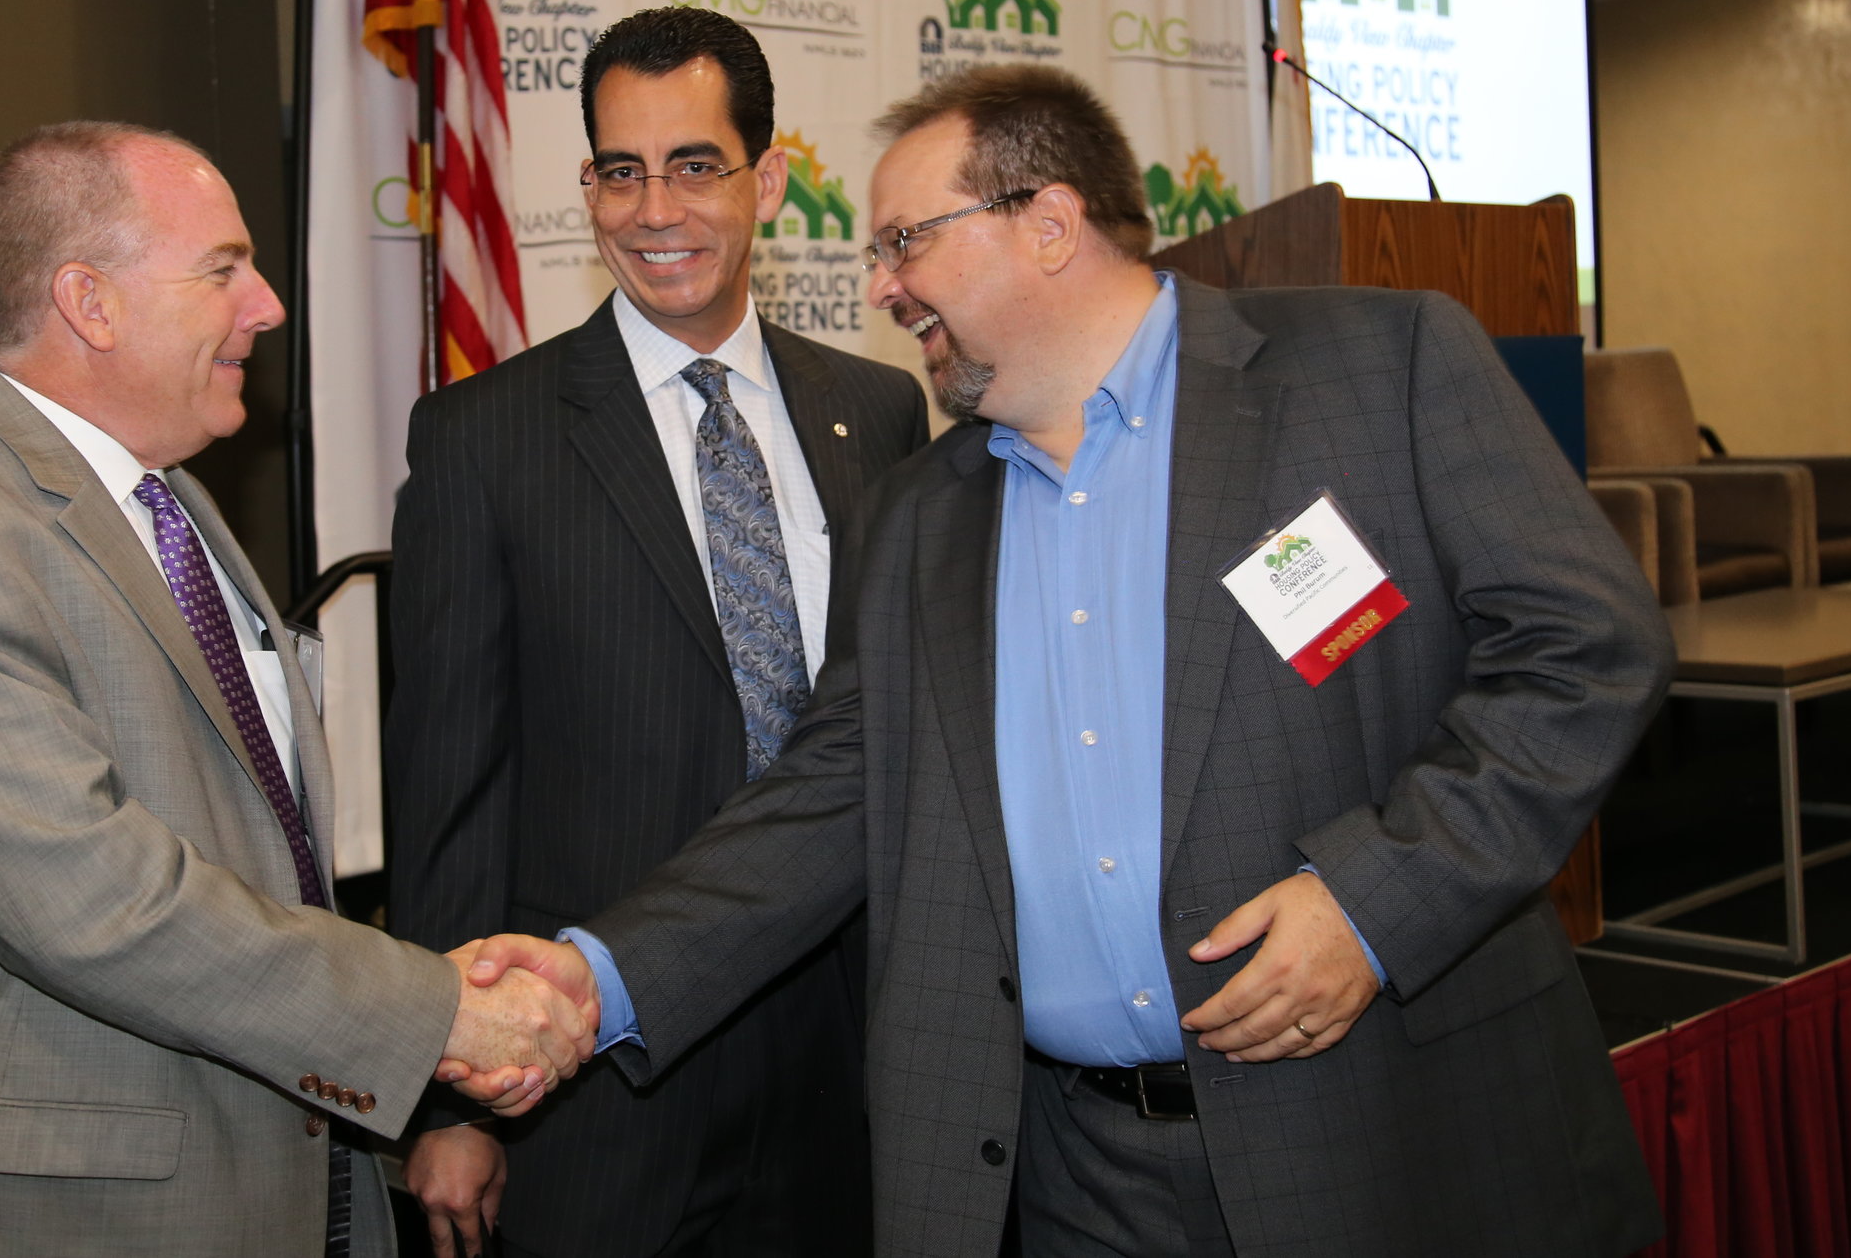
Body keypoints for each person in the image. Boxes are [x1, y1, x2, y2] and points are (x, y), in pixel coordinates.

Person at [473, 64, 1673, 1256]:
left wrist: (1372, 900)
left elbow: (1586, 647)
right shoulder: (913, 522)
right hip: (1075, 1180)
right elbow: (824, 798)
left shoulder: (1378, 371)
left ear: (1047, 223)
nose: (881, 286)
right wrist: (597, 978)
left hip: (1390, 1134)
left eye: (903, 242)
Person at [0, 123, 593, 1258]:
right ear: (89, 302)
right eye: (223, 268)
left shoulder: (177, 509)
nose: (265, 304)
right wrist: (435, 1009)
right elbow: (97, 901)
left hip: (277, 1181)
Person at [385, 7, 930, 1258]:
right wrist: (447, 1094)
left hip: (846, 1056)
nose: (653, 208)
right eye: (619, 172)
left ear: (769, 177)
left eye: (694, 164)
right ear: (585, 185)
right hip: (591, 1077)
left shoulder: (881, 410)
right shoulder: (482, 439)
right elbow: (449, 793)